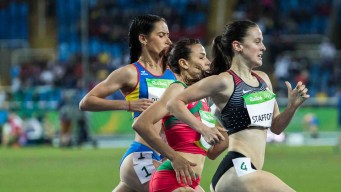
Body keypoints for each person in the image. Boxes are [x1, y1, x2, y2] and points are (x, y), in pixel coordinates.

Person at [167, 20, 310, 192]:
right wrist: (203, 129)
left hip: (250, 170)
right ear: (238, 46)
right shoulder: (223, 81)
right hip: (236, 170)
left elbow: (276, 127)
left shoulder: (263, 79)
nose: (263, 47)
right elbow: (174, 103)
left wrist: (292, 107)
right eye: (257, 42)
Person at [79, 14, 175, 192]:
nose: (168, 41)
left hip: (165, 157)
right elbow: (86, 102)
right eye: (161, 35)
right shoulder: (130, 73)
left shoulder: (174, 74)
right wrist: (128, 105)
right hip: (142, 155)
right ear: (143, 39)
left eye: (168, 35)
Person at [133, 38, 228, 192]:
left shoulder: (203, 98)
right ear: (184, 64)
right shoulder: (178, 89)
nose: (208, 62)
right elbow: (141, 124)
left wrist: (231, 134)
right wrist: (174, 157)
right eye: (202, 57)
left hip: (191, 181)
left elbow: (211, 153)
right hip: (171, 178)